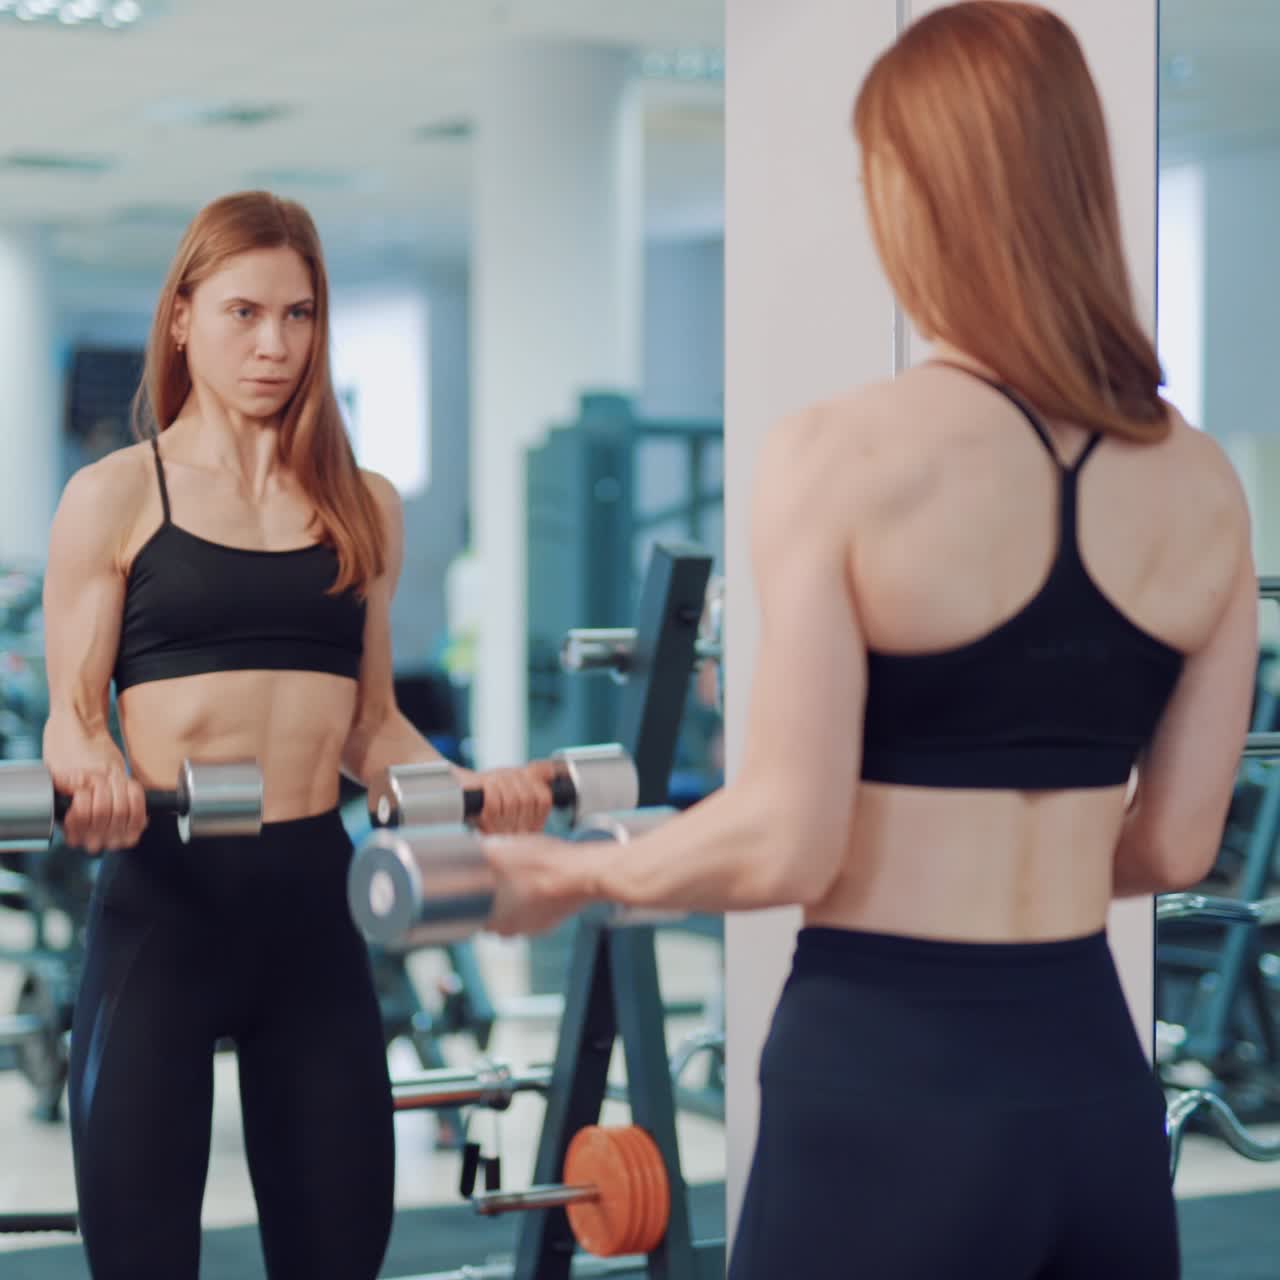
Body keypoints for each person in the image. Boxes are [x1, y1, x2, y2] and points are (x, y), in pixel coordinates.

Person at [480, 5, 1257, 1277]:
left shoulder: (842, 453)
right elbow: (1175, 841)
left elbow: (790, 833)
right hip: (1089, 1085)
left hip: (888, 1082)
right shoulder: (1200, 483)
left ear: (915, 191)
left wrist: (574, 874)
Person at [42, 190, 558, 1279]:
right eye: (243, 312)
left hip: (314, 920)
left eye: (299, 313)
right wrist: (92, 777)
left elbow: (371, 724)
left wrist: (475, 790)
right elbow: (76, 716)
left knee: (336, 1255)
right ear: (181, 317)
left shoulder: (360, 501)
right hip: (162, 916)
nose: (275, 343)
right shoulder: (114, 495)